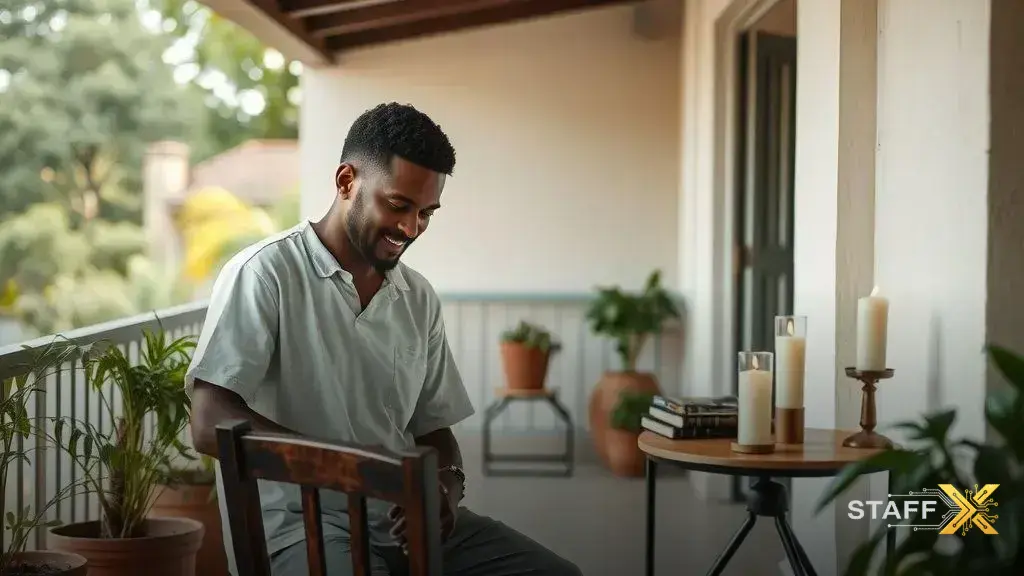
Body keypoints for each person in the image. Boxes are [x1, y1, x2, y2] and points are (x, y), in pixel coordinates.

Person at [186, 102, 582, 576]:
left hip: (402, 522)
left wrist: (446, 491)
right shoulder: (265, 274)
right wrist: (354, 467)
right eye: (398, 205)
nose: (411, 228)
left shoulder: (417, 297)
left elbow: (435, 430)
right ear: (346, 182)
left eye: (426, 213)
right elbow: (209, 423)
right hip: (299, 527)